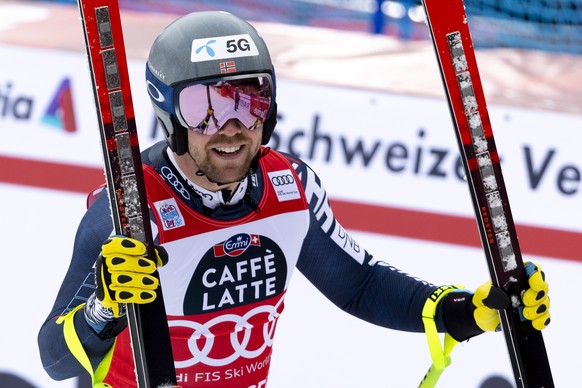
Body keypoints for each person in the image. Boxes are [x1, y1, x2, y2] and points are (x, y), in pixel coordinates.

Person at [37, 11, 551, 388]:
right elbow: (54, 360)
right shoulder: (127, 211)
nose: (232, 127)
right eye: (206, 108)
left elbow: (360, 285)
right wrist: (105, 306)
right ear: (169, 114)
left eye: (250, 97)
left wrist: (468, 311)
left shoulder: (290, 188)